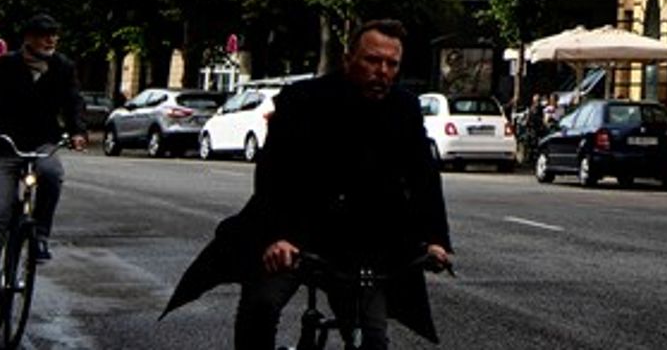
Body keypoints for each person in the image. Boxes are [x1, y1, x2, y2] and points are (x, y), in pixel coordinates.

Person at [167, 20, 454, 349]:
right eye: (373, 60)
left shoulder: (403, 108)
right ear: (348, 59)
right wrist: (277, 237)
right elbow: (273, 175)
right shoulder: (303, 99)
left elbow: (423, 176)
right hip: (294, 233)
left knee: (371, 337)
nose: (382, 71)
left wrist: (435, 240)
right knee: (261, 307)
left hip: (358, 245)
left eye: (392, 64)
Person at [0, 13, 86, 322]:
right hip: (3, 145)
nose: (51, 40)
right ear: (28, 38)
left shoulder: (63, 67)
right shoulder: (6, 65)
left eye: (54, 35)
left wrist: (78, 131)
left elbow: (74, 102)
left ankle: (40, 234)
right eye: (44, 35)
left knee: (52, 173)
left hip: (41, 142)